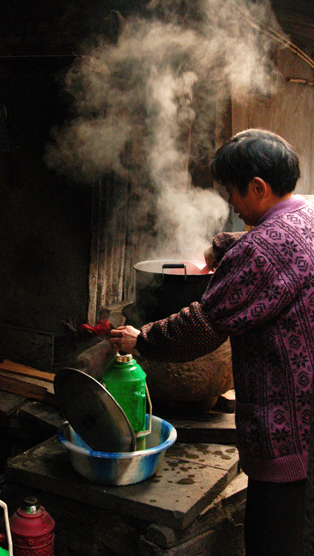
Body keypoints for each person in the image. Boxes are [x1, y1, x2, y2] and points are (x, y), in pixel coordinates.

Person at [109, 129, 314, 556]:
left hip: (283, 423)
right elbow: (271, 245)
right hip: (307, 411)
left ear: (258, 187)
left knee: (273, 537)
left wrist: (141, 337)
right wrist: (223, 246)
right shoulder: (306, 216)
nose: (231, 204)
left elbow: (201, 327)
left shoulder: (261, 252)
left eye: (231, 192)